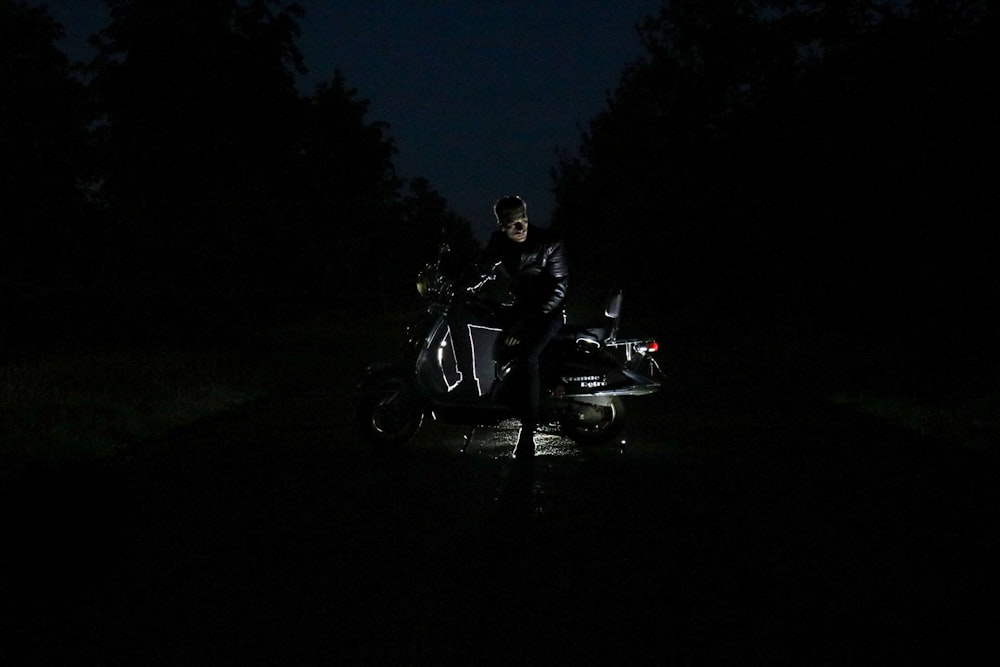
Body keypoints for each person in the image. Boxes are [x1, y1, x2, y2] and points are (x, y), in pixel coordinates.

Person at [477, 195, 568, 458]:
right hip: (521, 309)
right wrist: (463, 281)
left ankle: (527, 435)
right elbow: (482, 266)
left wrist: (524, 324)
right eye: (512, 223)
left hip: (547, 312)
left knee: (527, 357)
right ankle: (493, 394)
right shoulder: (498, 241)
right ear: (501, 225)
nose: (520, 227)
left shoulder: (550, 242)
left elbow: (559, 289)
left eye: (523, 220)